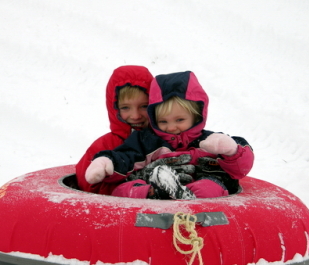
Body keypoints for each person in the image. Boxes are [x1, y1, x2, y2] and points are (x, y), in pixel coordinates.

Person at [84, 71, 254, 199]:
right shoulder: (148, 140)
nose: (171, 127)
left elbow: (240, 167)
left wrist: (231, 150)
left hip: (199, 187)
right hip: (156, 184)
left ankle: (186, 198)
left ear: (196, 116)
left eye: (179, 119)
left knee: (209, 187)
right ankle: (156, 193)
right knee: (122, 190)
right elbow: (125, 156)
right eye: (163, 121)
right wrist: (105, 162)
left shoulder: (208, 140)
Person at [75, 65, 153, 195]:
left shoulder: (165, 139)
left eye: (144, 106)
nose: (135, 116)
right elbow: (89, 188)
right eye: (125, 108)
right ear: (114, 108)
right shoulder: (104, 146)